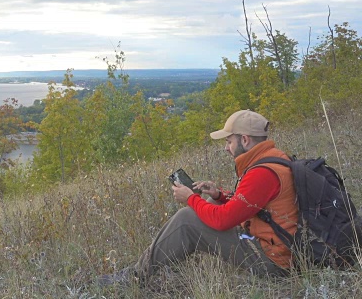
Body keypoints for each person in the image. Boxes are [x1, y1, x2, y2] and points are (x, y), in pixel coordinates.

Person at [98, 109, 299, 286]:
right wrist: (220, 195)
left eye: (229, 141)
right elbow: (254, 206)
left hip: (272, 263)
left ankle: (136, 277)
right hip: (277, 249)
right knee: (211, 203)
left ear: (245, 140)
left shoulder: (262, 173)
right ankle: (153, 262)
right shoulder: (274, 158)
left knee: (187, 219)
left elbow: (223, 221)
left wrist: (190, 199)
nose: (226, 148)